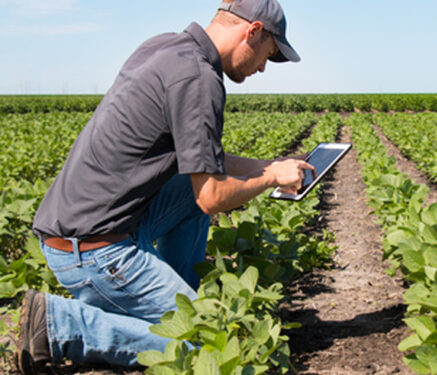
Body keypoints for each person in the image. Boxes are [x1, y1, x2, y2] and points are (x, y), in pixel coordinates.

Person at [15, 0, 313, 373]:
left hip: (81, 227)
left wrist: (269, 165)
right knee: (206, 342)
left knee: (189, 187)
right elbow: (212, 196)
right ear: (251, 31)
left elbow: (204, 164)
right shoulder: (199, 79)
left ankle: (179, 295)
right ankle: (62, 325)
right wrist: (270, 179)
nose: (263, 67)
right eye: (267, 54)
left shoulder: (166, 47)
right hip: (94, 251)